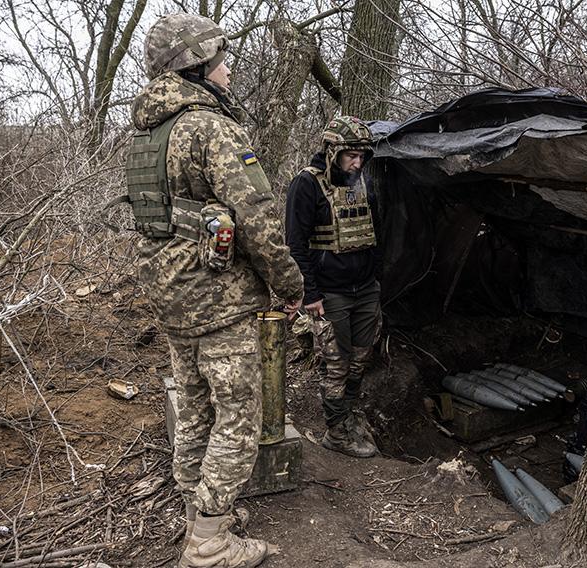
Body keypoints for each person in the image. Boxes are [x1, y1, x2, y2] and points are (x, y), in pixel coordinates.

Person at [128, 13, 303, 568]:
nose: (229, 70)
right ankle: (208, 543)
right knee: (238, 415)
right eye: (221, 60)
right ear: (196, 65)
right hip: (218, 299)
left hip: (172, 296)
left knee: (197, 408)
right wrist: (289, 283)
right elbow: (256, 217)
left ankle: (199, 513)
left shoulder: (145, 134)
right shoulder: (209, 127)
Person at [285, 116, 382, 458]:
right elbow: (295, 245)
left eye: (361, 156)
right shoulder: (307, 185)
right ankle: (336, 432)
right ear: (332, 152)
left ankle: (347, 415)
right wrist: (310, 295)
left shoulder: (363, 183)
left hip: (365, 289)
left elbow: (373, 234)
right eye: (350, 155)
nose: (357, 162)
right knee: (336, 363)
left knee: (360, 360)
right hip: (331, 293)